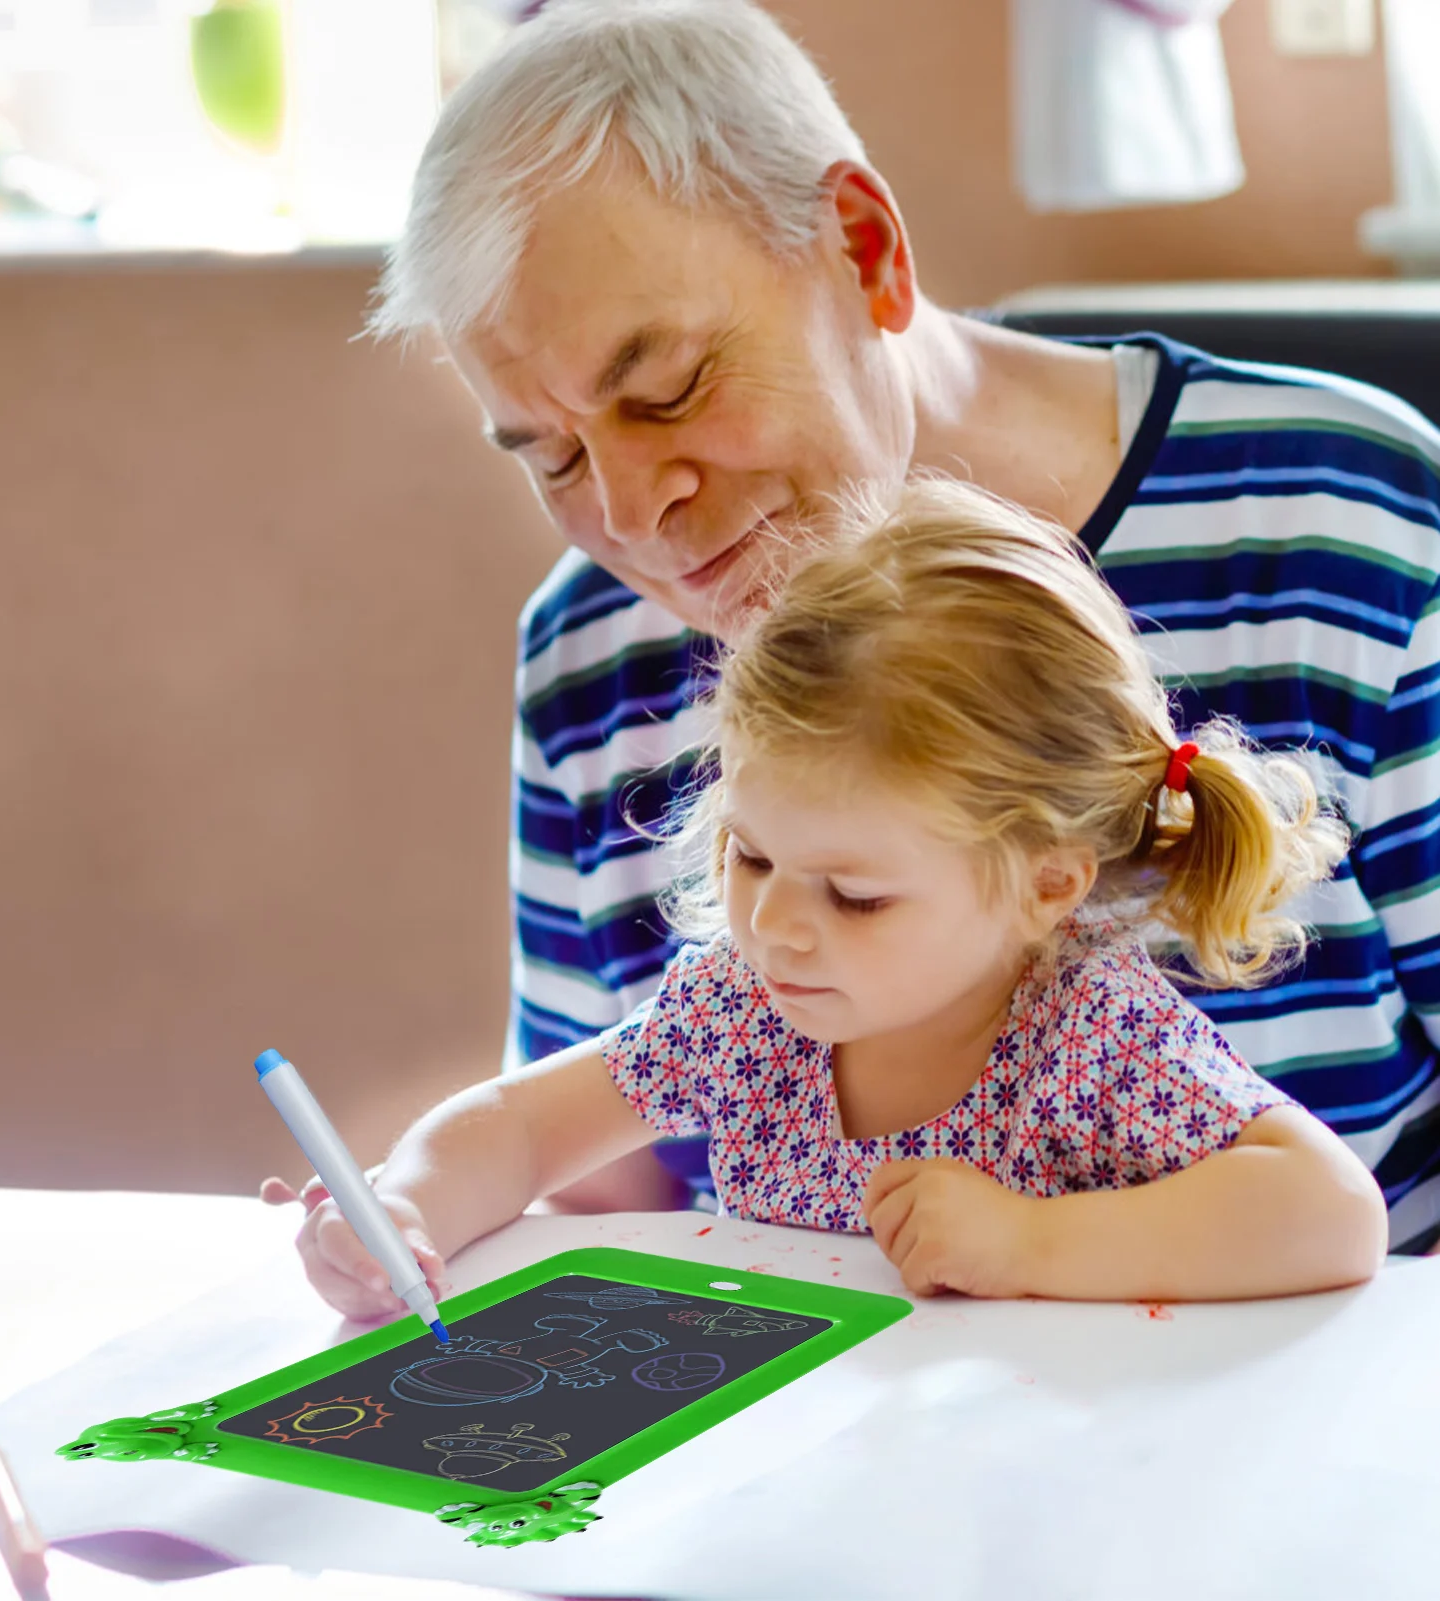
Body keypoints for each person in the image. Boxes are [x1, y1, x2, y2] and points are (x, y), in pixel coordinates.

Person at [265, 0, 1440, 1273]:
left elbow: (1331, 1221)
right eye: (547, 452)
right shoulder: (587, 654)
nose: (627, 514)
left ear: (866, 251)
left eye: (666, 390)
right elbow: (591, 1184)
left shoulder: (1348, 521)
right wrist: (402, 1218)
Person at [271, 479, 1388, 1314]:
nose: (776, 923)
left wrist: (1029, 1245)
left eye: (855, 896)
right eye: (752, 857)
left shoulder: (1085, 1032)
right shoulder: (746, 1013)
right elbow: (515, 1130)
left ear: (1046, 883)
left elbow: (1330, 1213)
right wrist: (404, 1214)